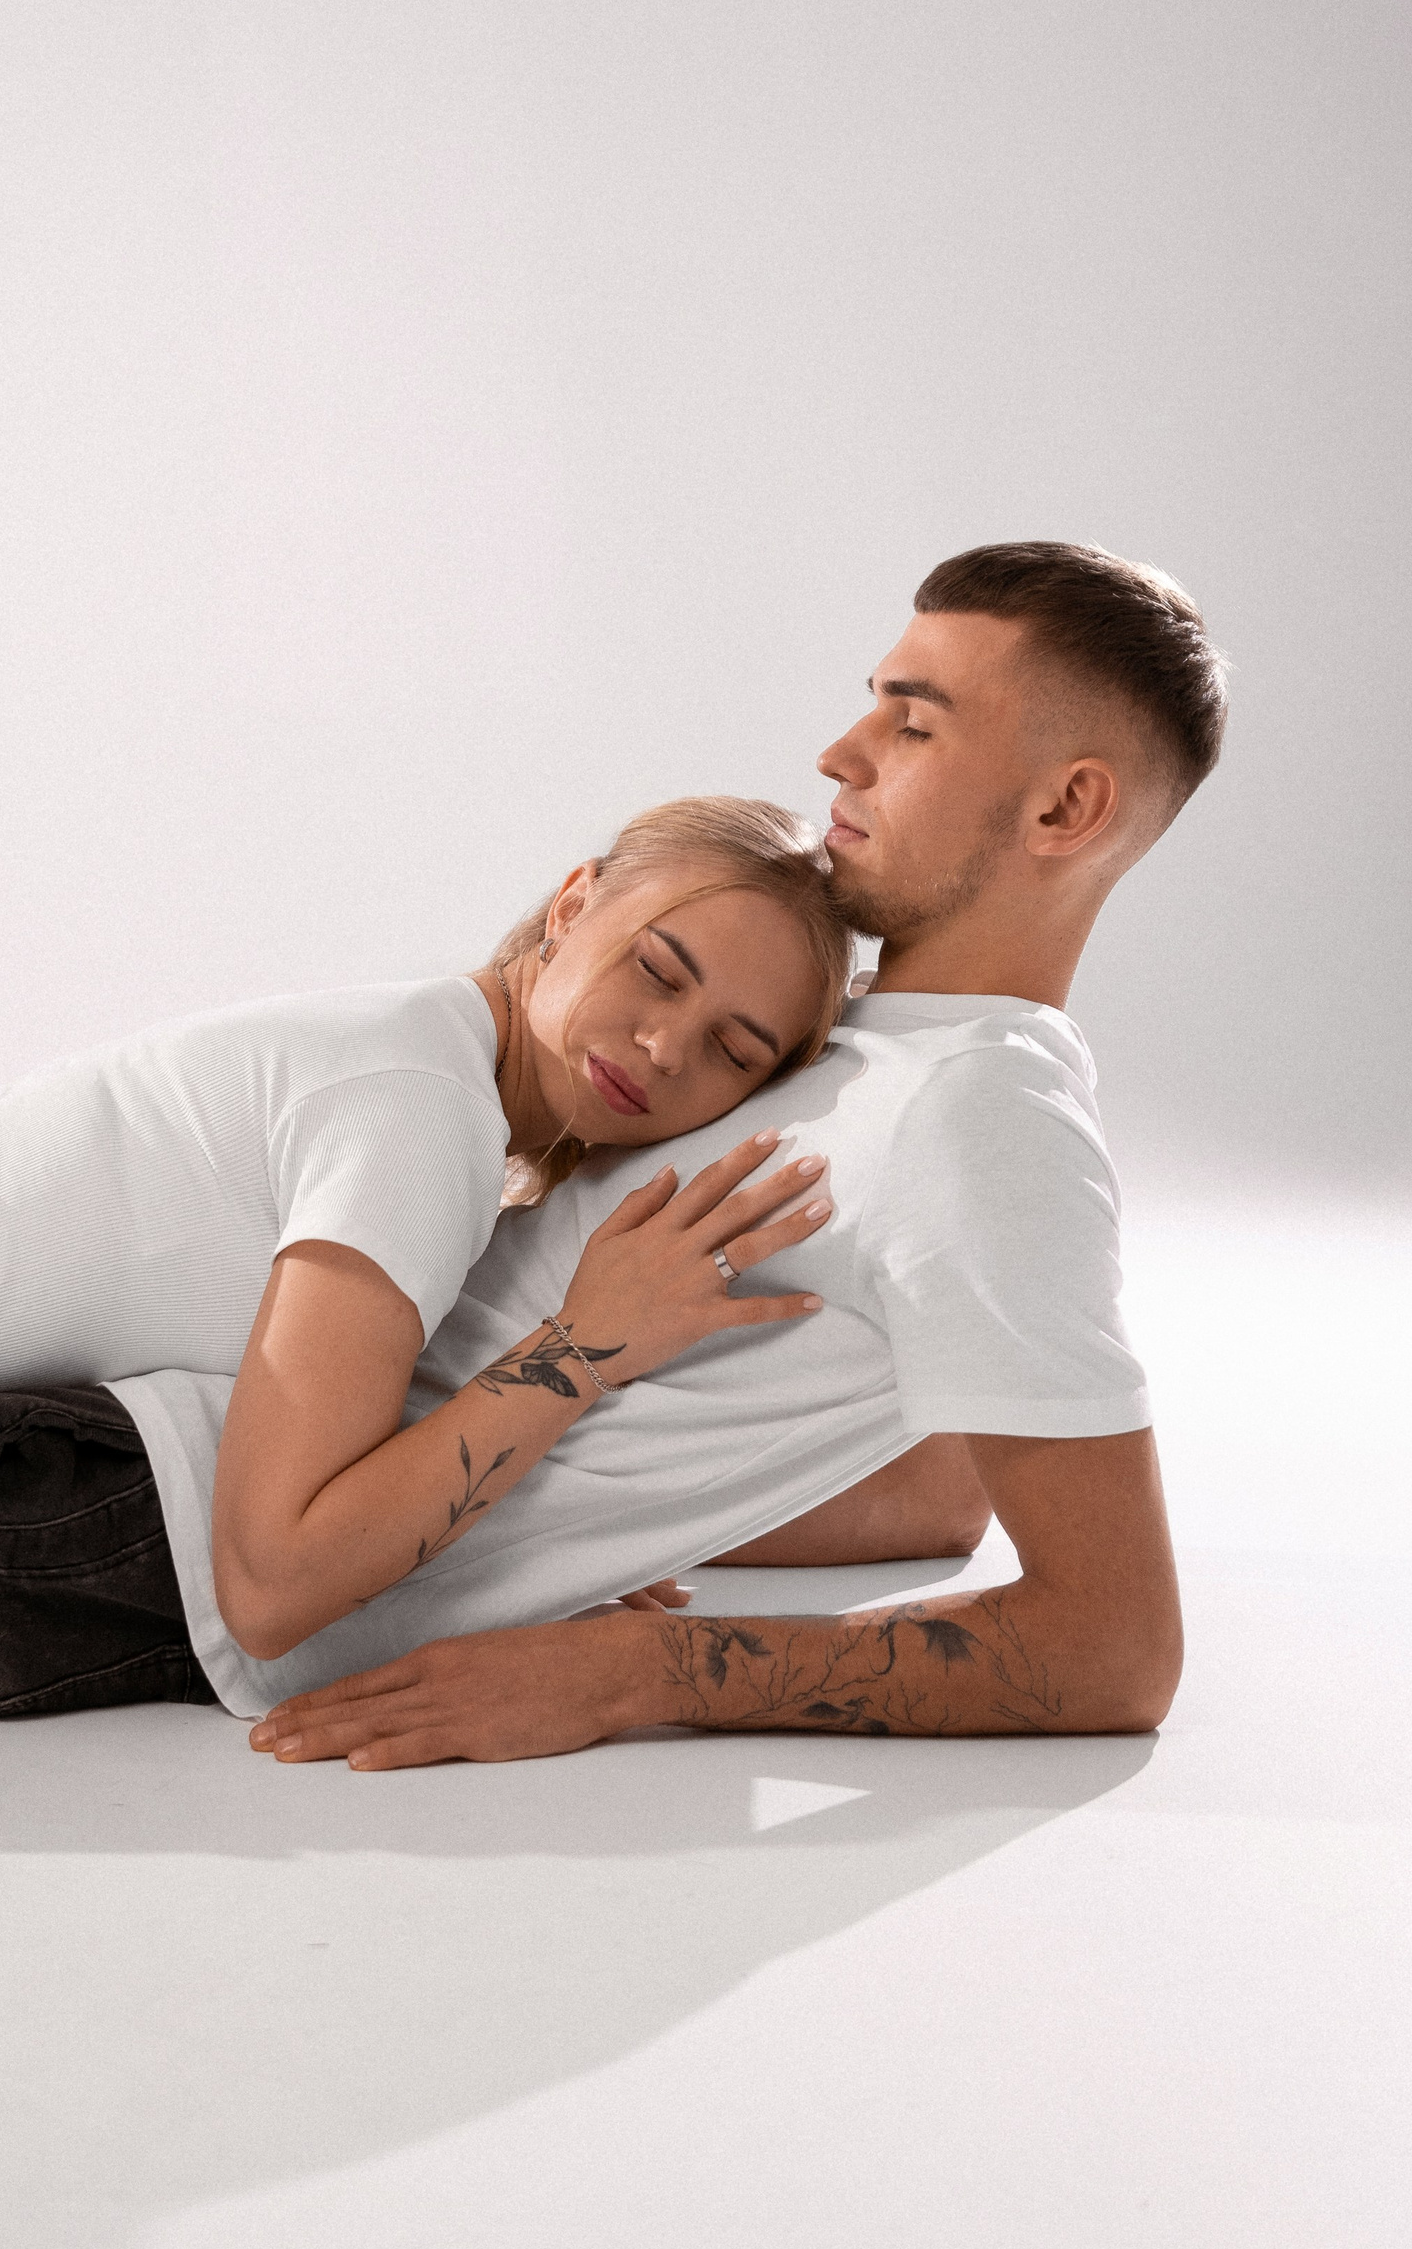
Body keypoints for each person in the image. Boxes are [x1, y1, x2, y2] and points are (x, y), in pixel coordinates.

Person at [0, 799, 848, 1717]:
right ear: (573, 904)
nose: (665, 1047)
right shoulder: (420, 1113)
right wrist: (585, 1350)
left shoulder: (449, 1105)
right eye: (658, 969)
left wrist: (544, 1532)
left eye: (734, 1049)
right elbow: (274, 1580)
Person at [238, 538, 1226, 1764]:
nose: (841, 755)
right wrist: (588, 1534)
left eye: (913, 726)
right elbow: (934, 1499)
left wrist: (636, 1670)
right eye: (872, 705)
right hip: (220, 1480)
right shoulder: (852, 1042)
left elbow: (1114, 1646)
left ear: (1064, 808)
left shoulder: (980, 1119)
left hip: (145, 1527)